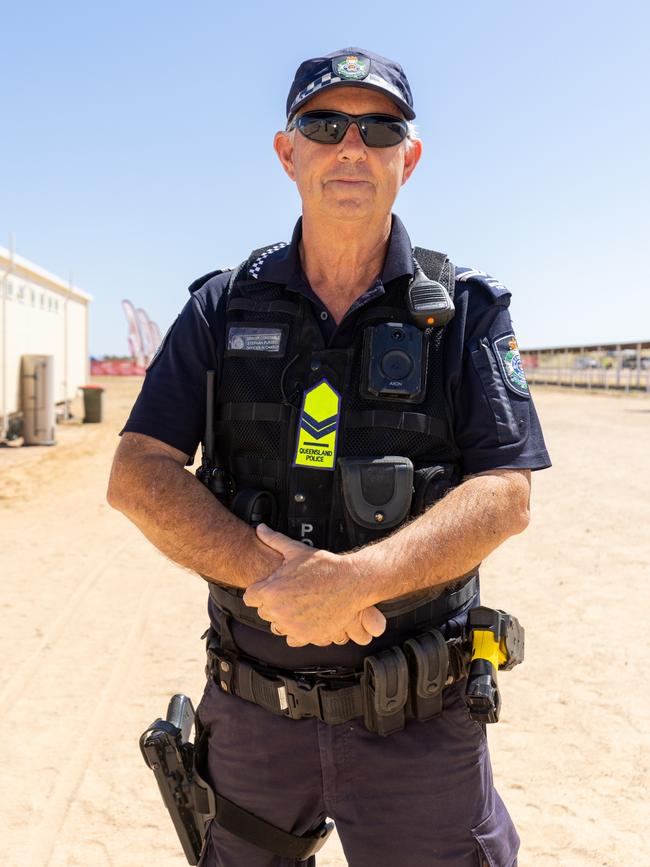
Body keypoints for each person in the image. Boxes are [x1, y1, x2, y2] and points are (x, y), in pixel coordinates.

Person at [108, 47, 550, 867]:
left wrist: (355, 583)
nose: (352, 145)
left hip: (418, 722)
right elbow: (138, 471)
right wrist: (272, 577)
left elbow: (506, 492)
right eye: (325, 123)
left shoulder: (464, 312)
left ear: (406, 159)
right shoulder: (222, 304)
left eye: (379, 128)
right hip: (250, 718)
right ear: (288, 152)